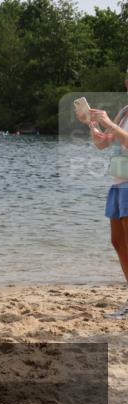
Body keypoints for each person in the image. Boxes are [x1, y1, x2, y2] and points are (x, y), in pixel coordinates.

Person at [86, 72, 128, 320]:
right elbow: (103, 143)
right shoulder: (125, 111)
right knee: (118, 242)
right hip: (119, 181)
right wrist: (91, 124)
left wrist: (109, 123)